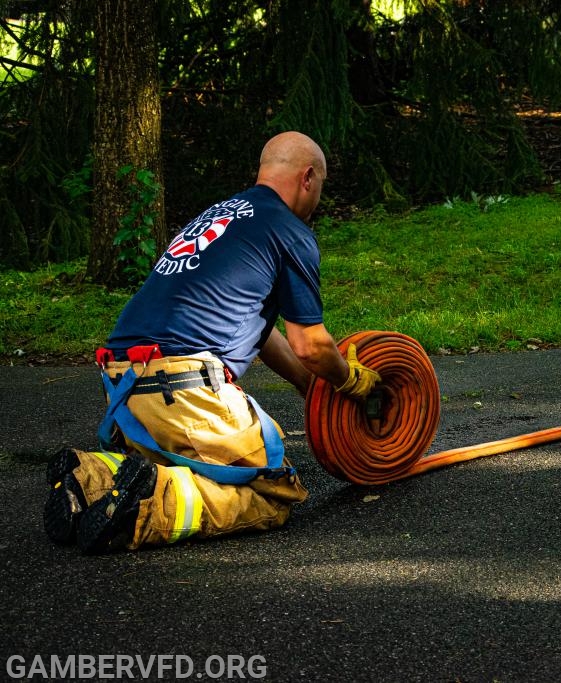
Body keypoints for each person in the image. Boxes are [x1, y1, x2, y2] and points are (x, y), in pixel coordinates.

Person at [43, 131, 380, 553]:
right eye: (322, 188)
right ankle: (144, 508)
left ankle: (94, 475)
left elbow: (257, 329)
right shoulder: (289, 231)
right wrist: (351, 381)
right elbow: (311, 345)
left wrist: (308, 385)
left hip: (123, 390)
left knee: (188, 466)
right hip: (183, 390)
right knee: (275, 491)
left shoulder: (221, 216)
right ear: (309, 177)